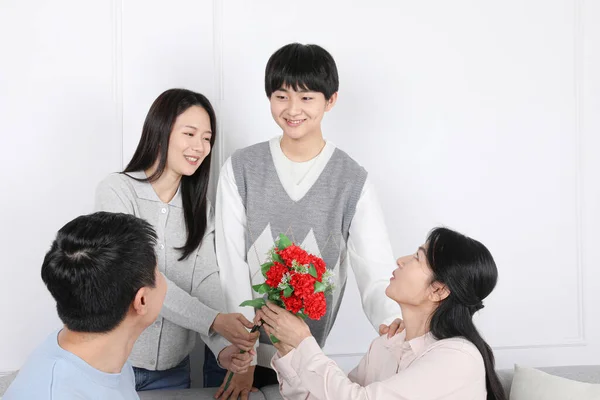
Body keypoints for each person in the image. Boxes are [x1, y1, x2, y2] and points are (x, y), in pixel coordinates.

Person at [215, 43, 402, 398]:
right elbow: (230, 264)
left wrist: (393, 324)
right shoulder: (241, 168)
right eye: (281, 96)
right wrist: (246, 356)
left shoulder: (352, 180)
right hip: (237, 356)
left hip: (306, 359)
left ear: (330, 100)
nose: (292, 109)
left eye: (306, 98)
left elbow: (374, 268)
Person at [95, 89, 257, 391]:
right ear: (161, 130)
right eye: (190, 133)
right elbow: (140, 279)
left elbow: (207, 281)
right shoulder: (117, 191)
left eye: (207, 138)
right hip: (113, 367)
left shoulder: (200, 211)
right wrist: (213, 320)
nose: (200, 146)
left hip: (173, 374)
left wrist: (224, 349)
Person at [257, 227, 506, 400]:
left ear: (438, 290)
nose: (400, 260)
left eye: (417, 258)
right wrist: (288, 348)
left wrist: (304, 343)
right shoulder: (387, 344)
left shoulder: (458, 358)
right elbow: (324, 395)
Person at [4, 212, 166, 399]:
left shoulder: (108, 359)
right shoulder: (54, 393)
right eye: (158, 272)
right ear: (142, 300)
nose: (164, 280)